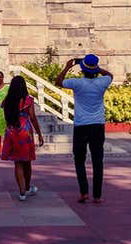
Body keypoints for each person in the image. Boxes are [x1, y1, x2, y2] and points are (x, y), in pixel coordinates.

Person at [55, 54, 114, 204]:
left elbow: (58, 82)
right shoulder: (102, 81)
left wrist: (68, 66)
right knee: (97, 160)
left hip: (81, 125)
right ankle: (97, 195)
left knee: (79, 160)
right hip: (97, 125)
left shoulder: (77, 83)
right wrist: (96, 67)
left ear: (82, 69)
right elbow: (110, 75)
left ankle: (84, 192)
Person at [0, 75, 43, 201]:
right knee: (27, 161)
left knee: (17, 162)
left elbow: (6, 116)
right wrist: (39, 133)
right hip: (24, 130)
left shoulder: (7, 100)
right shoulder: (28, 100)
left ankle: (22, 191)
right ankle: (28, 187)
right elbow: (33, 117)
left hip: (12, 130)